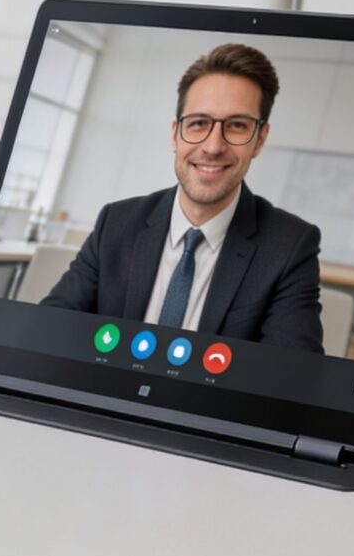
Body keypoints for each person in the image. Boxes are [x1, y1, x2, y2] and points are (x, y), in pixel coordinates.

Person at [38, 42, 325, 352]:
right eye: (199, 123)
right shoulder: (116, 223)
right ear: (176, 133)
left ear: (259, 140)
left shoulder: (290, 247)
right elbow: (50, 328)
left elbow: (291, 376)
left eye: (237, 126)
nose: (213, 147)